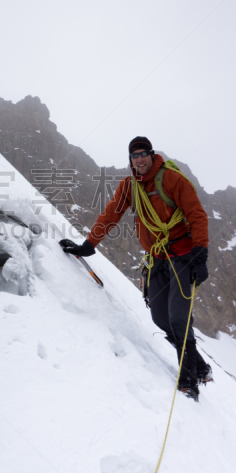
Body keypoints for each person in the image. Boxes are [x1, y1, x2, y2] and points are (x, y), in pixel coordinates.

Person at [61, 136, 212, 401]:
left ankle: (188, 380)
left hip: (183, 256)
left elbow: (197, 214)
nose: (139, 159)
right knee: (160, 318)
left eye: (144, 154)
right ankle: (200, 366)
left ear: (152, 155)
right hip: (157, 258)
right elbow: (111, 214)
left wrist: (200, 255)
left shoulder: (173, 181)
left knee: (178, 319)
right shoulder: (129, 187)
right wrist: (88, 244)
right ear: (130, 160)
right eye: (134, 155)